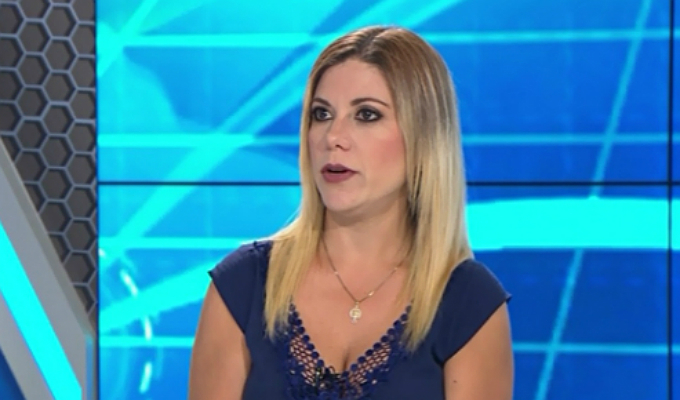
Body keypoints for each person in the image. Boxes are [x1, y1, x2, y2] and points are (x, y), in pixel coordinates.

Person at [188, 25, 513, 400]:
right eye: (322, 114)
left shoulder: (468, 303)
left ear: (423, 137)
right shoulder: (243, 286)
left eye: (367, 115)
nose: (333, 137)